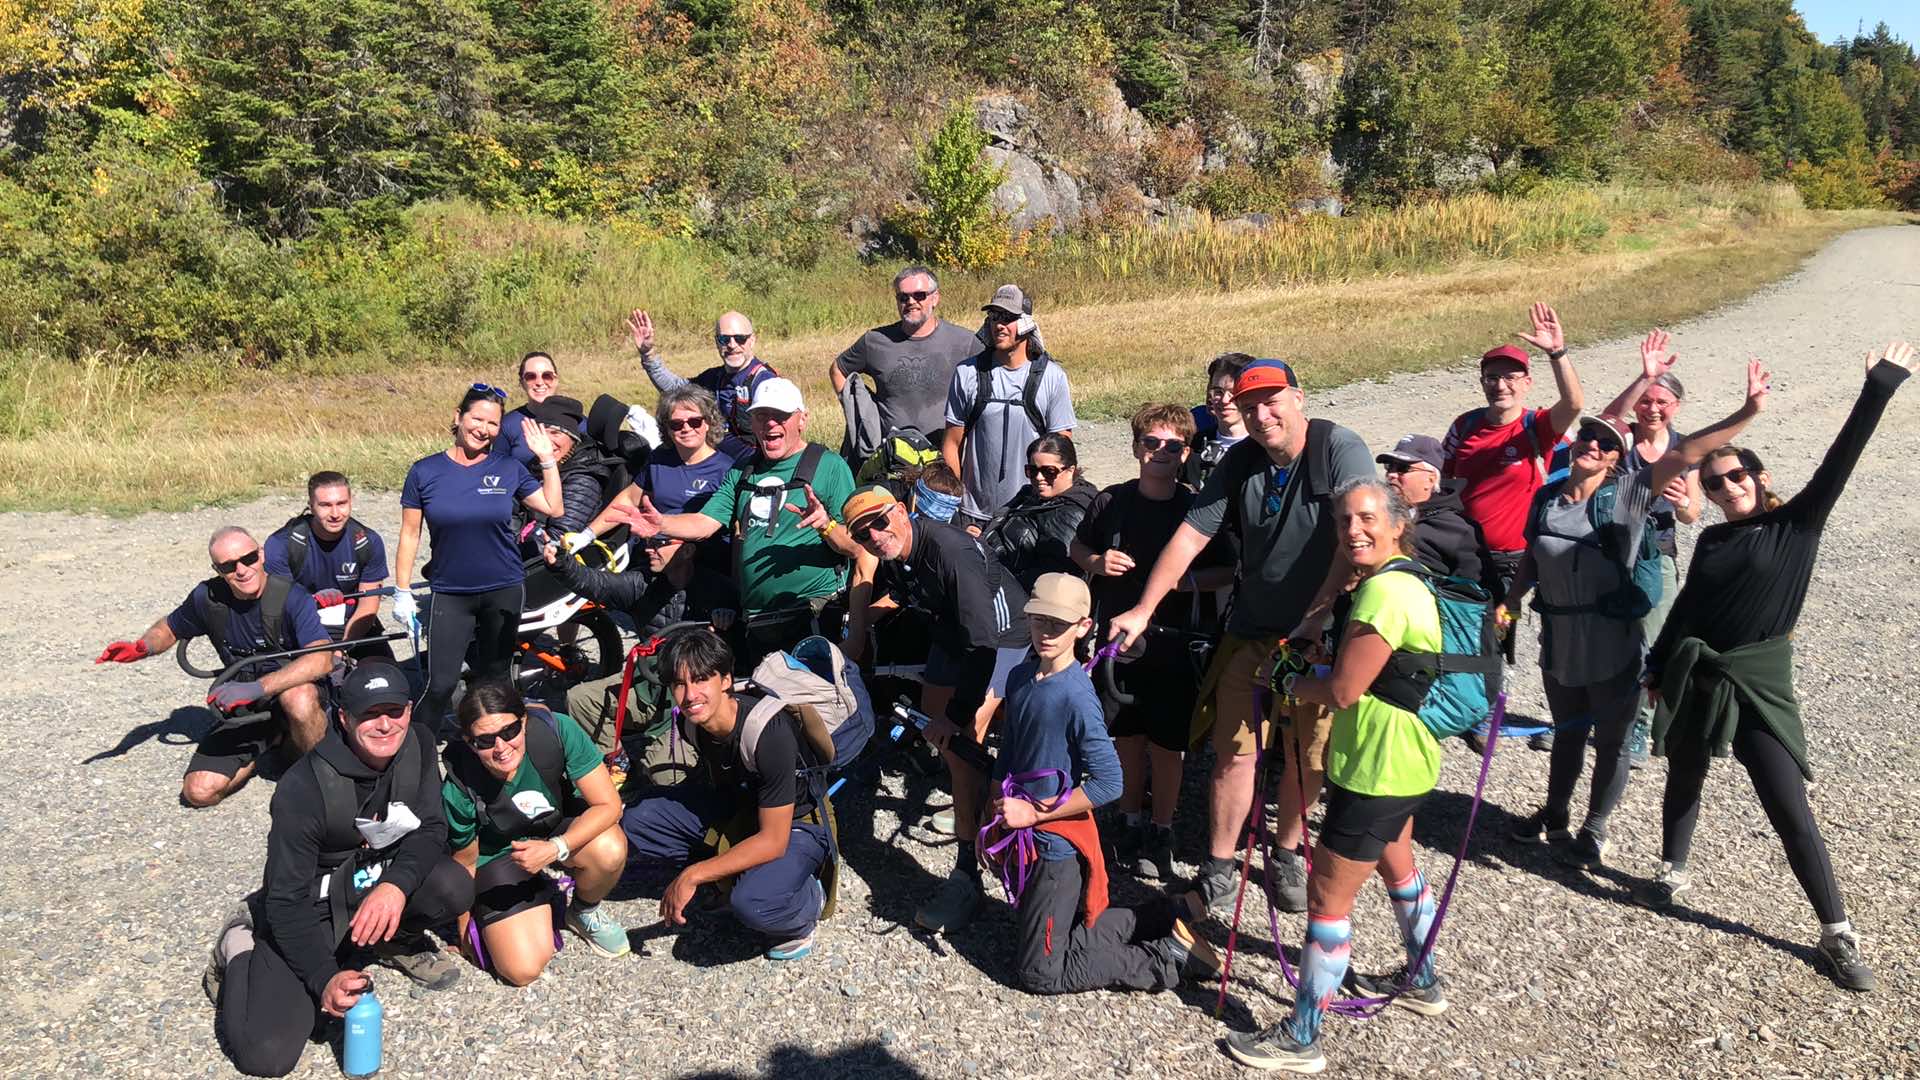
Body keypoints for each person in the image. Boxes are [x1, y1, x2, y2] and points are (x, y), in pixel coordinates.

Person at [1637, 341, 1914, 993]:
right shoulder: (1713, 539)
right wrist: (1656, 666)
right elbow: (1689, 609)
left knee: (1787, 804)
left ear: (1759, 479)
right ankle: (1672, 871)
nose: (1727, 487)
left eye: (1737, 476)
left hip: (1758, 681)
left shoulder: (1797, 524)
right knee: (1685, 769)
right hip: (1697, 672)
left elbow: (1841, 460)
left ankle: (1836, 933)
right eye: (1714, 482)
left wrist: (1877, 388)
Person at [1108, 359, 1375, 915]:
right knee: (1234, 753)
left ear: (1299, 397)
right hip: (1252, 632)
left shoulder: (1337, 449)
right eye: (1250, 406)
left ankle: (1286, 852)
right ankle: (1220, 866)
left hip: (1319, 639)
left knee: (1306, 756)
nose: (1261, 415)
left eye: (1272, 401)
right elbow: (1190, 536)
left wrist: (1315, 619)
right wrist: (1142, 609)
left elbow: (1356, 539)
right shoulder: (1242, 461)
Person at [1504, 359, 1770, 870]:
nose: (1593, 445)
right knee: (1566, 731)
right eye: (1587, 438)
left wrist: (1748, 411)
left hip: (1612, 638)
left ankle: (1594, 828)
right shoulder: (1547, 498)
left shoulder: (1627, 495)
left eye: (1606, 445)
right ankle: (1555, 816)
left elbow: (1689, 452)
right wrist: (1512, 600)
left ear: (1616, 460)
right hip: (1559, 636)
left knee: (1612, 740)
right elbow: (1533, 556)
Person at [1223, 481, 1451, 1073]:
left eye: (1368, 518)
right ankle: (1424, 979)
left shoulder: (1384, 595)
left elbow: (1345, 691)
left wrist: (1284, 681)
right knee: (1398, 866)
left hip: (1376, 767)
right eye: (1346, 520)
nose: (1354, 530)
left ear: (1397, 524)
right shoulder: (1403, 581)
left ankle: (1303, 1037)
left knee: (1326, 897)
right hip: (1405, 760)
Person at [204, 662, 470, 1078]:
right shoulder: (303, 788)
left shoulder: (418, 743)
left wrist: (395, 887)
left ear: (408, 710)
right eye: (370, 714)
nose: (385, 725)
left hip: (372, 880)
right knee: (267, 1055)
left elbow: (432, 827)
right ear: (344, 718)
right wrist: (323, 977)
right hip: (312, 905)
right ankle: (237, 944)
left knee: (452, 887)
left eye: (395, 711)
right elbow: (287, 900)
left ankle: (391, 941)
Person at [983, 573, 1220, 994]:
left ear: (1083, 627)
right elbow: (1010, 749)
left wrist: (1034, 812)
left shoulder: (1077, 697)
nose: (1046, 633)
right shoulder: (1021, 677)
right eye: (1039, 620)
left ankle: (1167, 959)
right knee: (1059, 937)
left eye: (1059, 624)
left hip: (1056, 848)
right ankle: (1164, 916)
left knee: (1040, 973)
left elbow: (1110, 782)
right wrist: (994, 805)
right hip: (1026, 835)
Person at [840, 485, 1031, 932]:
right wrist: (860, 622)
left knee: (961, 738)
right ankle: (977, 812)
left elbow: (983, 644)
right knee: (938, 733)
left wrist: (958, 713)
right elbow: (903, 591)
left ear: (901, 511)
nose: (875, 536)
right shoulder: (897, 551)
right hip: (952, 632)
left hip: (1001, 637)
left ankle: (970, 869)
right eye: (863, 534)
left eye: (880, 522)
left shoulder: (950, 551)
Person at [1070, 404, 1234, 880]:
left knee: (1167, 747)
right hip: (1119, 643)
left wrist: (1184, 582)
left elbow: (1228, 569)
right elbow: (1077, 547)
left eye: (1173, 445)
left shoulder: (1198, 508)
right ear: (1135, 447)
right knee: (1126, 737)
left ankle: (1162, 829)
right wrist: (1096, 563)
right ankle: (1128, 818)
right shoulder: (1111, 501)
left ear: (1186, 453)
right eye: (1151, 442)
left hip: (1175, 644)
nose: (1160, 452)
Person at [609, 378, 862, 665]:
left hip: (814, 614)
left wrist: (827, 526)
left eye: (780, 416)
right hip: (758, 622)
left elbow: (858, 547)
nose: (770, 423)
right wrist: (661, 524)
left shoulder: (829, 466)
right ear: (751, 423)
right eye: (761, 416)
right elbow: (704, 523)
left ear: (802, 419)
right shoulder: (743, 471)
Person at [620, 628, 833, 960]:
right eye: (679, 684)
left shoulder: (768, 734)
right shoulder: (694, 725)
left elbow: (774, 840)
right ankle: (734, 874)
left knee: (753, 903)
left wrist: (694, 874)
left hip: (797, 823)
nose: (690, 695)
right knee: (639, 819)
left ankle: (805, 902)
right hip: (743, 807)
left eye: (701, 679)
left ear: (726, 680)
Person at [97, 526, 334, 808]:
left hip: (288, 694)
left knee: (298, 698)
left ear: (261, 555)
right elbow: (169, 627)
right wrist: (143, 647)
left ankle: (323, 778)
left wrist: (258, 687)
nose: (242, 570)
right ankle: (272, 743)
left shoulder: (292, 596)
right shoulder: (208, 598)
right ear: (217, 569)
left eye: (248, 559)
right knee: (198, 793)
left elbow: (322, 659)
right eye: (228, 566)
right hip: (247, 707)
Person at [1440, 302, 1584, 751]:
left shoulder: (1535, 427)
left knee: (1514, 628)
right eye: (1491, 377)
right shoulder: (1465, 426)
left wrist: (1557, 353)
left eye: (1510, 377)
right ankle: (1482, 713)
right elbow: (1443, 482)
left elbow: (1575, 404)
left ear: (1526, 383)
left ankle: (1567, 713)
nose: (1500, 385)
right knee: (1476, 631)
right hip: (1468, 553)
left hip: (1519, 559)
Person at [393, 383, 565, 736]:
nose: (483, 429)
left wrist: (547, 459)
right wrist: (402, 590)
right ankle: (416, 752)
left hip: (503, 588)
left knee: (496, 679)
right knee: (440, 684)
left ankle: (498, 745)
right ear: (458, 417)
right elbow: (410, 534)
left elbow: (553, 507)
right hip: (450, 592)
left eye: (492, 423)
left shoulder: (508, 467)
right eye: (477, 419)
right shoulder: (424, 472)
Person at [445, 679, 631, 983]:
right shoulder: (459, 784)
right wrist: (463, 925)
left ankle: (583, 910)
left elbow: (609, 805)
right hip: (500, 853)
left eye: (510, 732)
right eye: (485, 741)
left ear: (524, 722)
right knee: (522, 971)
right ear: (469, 742)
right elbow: (465, 861)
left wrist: (556, 848)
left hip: (554, 827)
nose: (501, 748)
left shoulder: (556, 730)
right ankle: (536, 897)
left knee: (609, 847)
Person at [1593, 330, 1703, 766]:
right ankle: (1594, 718)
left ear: (1677, 407)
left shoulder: (1684, 449)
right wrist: (1644, 376)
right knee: (1602, 639)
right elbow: (1606, 417)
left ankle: (1640, 725)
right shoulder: (1620, 441)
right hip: (1608, 550)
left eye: (1662, 402)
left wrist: (1683, 503)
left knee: (1651, 643)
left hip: (1657, 556)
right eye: (1646, 401)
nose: (1652, 409)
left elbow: (1692, 514)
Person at [943, 284, 1076, 529]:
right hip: (973, 515)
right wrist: (954, 502)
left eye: (1008, 317)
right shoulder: (967, 373)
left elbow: (1062, 449)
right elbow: (952, 443)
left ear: (1026, 323)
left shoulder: (1051, 377)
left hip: (1029, 514)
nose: (999, 325)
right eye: (994, 316)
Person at [577, 387, 755, 563]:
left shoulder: (727, 470)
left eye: (695, 422)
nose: (686, 428)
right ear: (667, 429)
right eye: (676, 424)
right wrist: (587, 535)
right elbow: (630, 500)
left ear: (708, 423)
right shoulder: (659, 460)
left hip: (704, 561)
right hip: (654, 554)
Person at [829, 265, 981, 442]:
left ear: (935, 298)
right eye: (903, 297)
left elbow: (995, 374)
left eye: (919, 295)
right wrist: (860, 414)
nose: (910, 302)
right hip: (892, 453)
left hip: (946, 452)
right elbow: (838, 370)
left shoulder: (964, 341)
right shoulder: (875, 341)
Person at [263, 471, 393, 658]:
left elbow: (368, 606)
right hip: (301, 629)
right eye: (325, 505)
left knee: (387, 675)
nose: (335, 514)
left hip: (353, 627)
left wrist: (342, 649)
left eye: (341, 504)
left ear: (351, 502)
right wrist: (323, 654)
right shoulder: (281, 544)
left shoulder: (367, 541)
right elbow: (280, 608)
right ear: (311, 506)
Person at [629, 308, 778, 439]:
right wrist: (648, 353)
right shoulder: (714, 378)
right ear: (716, 342)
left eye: (740, 339)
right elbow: (675, 389)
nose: (732, 345)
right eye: (724, 339)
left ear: (752, 340)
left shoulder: (765, 382)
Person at [980, 433, 1099, 590]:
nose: (1038, 477)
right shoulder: (1030, 494)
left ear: (1070, 470)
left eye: (1049, 471)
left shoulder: (1070, 514)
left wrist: (1001, 583)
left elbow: (1054, 576)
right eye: (1032, 470)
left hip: (1019, 593)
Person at [520, 395, 622, 535]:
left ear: (573, 438)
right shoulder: (535, 464)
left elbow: (560, 536)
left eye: (555, 433)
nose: (546, 441)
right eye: (542, 432)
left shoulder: (583, 479)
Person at [496, 351, 583, 468]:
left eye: (547, 376)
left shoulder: (577, 420)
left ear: (556, 380)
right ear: (522, 383)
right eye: (530, 377)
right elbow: (499, 468)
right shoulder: (508, 425)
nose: (539, 382)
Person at [1186, 352, 1254, 489]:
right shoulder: (1194, 446)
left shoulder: (1266, 446)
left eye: (1234, 392)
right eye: (1218, 391)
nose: (1225, 400)